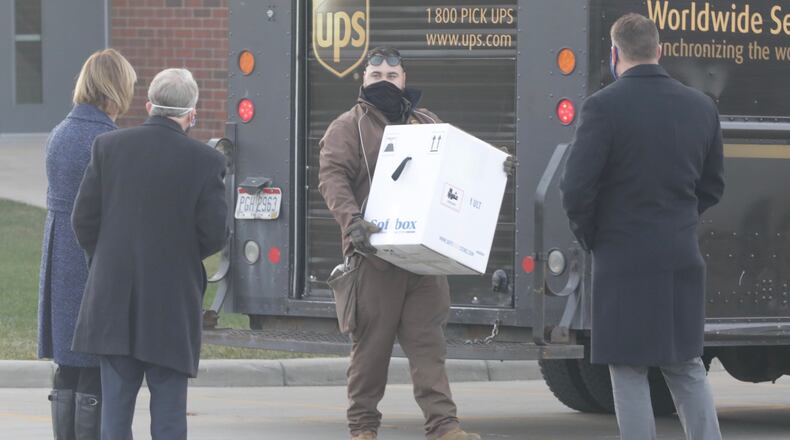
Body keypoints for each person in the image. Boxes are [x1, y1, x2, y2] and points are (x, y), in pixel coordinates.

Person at [318, 46, 516, 440]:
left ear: (404, 80)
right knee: (371, 350)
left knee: (429, 346)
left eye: (392, 77)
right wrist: (352, 222)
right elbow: (332, 177)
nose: (384, 83)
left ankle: (444, 426)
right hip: (372, 259)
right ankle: (363, 428)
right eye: (376, 77)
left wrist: (494, 166)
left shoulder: (427, 122)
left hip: (424, 263)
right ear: (363, 80)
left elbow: (457, 166)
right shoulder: (347, 127)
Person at [560, 13, 724, 440]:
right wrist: (679, 223)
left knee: (628, 369)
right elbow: (712, 186)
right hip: (681, 256)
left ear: (615, 54)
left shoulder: (603, 106)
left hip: (622, 259)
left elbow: (575, 188)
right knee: (686, 365)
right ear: (660, 50)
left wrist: (595, 237)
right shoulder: (701, 106)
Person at [70, 68, 228, 440]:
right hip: (172, 303)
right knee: (170, 415)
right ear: (192, 114)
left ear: (148, 106)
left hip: (112, 300)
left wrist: (105, 259)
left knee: (115, 416)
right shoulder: (206, 161)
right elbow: (214, 234)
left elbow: (83, 220)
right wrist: (180, 256)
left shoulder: (108, 147)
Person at [37, 48, 136, 440]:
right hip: (93, 258)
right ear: (115, 88)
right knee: (96, 362)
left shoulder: (59, 133)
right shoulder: (107, 140)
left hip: (61, 254)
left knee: (69, 362)